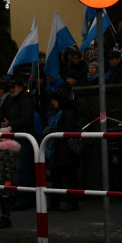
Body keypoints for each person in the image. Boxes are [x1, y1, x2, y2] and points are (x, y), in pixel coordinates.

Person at [44, 83, 81, 212]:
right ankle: (55, 202)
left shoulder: (69, 111)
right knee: (56, 177)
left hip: (65, 148)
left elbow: (68, 128)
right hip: (56, 148)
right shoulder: (55, 112)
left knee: (69, 176)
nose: (53, 103)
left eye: (54, 100)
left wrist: (53, 131)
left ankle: (72, 202)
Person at [0, 77, 35, 210]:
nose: (11, 89)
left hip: (24, 139)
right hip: (15, 138)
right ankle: (19, 196)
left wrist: (11, 126)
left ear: (20, 87)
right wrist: (8, 123)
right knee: (16, 169)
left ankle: (25, 198)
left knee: (22, 169)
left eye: (13, 87)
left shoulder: (25, 100)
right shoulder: (11, 100)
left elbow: (26, 119)